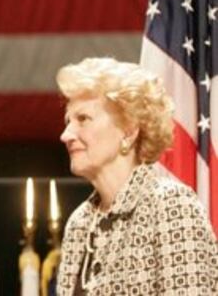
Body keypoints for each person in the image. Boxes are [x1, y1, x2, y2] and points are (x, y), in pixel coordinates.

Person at [56, 57, 218, 294]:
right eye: (68, 121)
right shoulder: (79, 223)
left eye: (83, 119)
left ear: (129, 131)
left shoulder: (171, 205)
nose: (66, 135)